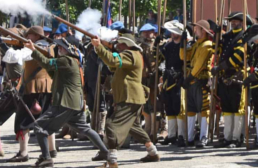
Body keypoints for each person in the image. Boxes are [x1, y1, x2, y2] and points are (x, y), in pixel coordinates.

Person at [24, 37, 109, 168]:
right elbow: (54, 74)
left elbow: (47, 63)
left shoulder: (66, 60)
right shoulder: (73, 61)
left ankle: (46, 158)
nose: (59, 48)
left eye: (61, 47)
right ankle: (104, 152)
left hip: (66, 102)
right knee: (85, 128)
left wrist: (33, 50)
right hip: (75, 102)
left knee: (39, 127)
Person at [93, 33, 160, 167]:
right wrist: (102, 49)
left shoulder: (130, 54)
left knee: (111, 125)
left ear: (127, 44)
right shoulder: (131, 55)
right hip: (131, 97)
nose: (118, 46)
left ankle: (112, 160)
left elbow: (112, 61)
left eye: (120, 44)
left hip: (129, 97)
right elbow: (113, 65)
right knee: (133, 127)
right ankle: (153, 152)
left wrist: (99, 47)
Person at [15, 28, 54, 163]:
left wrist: (4, 46)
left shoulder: (32, 48)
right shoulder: (51, 47)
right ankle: (52, 149)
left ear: (36, 36)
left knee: (22, 121)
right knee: (47, 120)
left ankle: (23, 152)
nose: (27, 37)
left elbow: (15, 58)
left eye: (29, 35)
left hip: (32, 88)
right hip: (48, 87)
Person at [214, 12, 247, 148]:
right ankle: (227, 137)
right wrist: (216, 36)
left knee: (237, 108)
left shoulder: (243, 37)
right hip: (225, 76)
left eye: (236, 20)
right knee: (227, 108)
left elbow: (238, 56)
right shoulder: (227, 36)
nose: (233, 23)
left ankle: (236, 138)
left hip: (237, 76)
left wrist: (221, 66)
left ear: (241, 22)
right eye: (231, 21)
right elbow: (219, 51)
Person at [182, 20, 215, 147]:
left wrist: (189, 78)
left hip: (200, 80)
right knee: (191, 110)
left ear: (203, 31)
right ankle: (189, 137)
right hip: (191, 80)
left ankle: (204, 137)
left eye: (197, 28)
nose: (194, 30)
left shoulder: (207, 45)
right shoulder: (196, 44)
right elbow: (184, 57)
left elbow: (199, 65)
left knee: (204, 110)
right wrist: (183, 44)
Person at [159, 21, 188, 147]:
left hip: (179, 79)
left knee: (179, 108)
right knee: (169, 108)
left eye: (174, 32)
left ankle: (181, 135)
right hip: (168, 79)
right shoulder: (168, 45)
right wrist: (157, 46)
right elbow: (161, 59)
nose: (171, 33)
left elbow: (187, 61)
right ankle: (171, 135)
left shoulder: (185, 45)